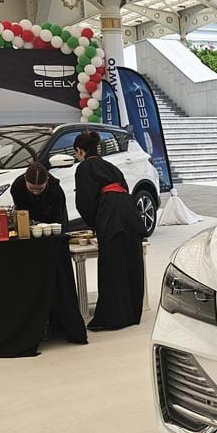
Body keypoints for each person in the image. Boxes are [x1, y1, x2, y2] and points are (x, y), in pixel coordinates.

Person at [73, 131, 146, 330]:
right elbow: (124, 188)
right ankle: (133, 312)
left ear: (80, 151)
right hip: (129, 211)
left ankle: (114, 316)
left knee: (112, 265)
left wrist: (95, 224)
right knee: (131, 260)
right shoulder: (111, 167)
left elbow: (85, 201)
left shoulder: (84, 167)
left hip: (110, 214)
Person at [9, 162, 68, 226]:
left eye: (40, 189)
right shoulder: (17, 187)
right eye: (31, 188)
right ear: (25, 179)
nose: (35, 192)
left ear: (47, 180)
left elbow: (60, 218)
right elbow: (21, 212)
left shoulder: (55, 190)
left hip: (51, 220)